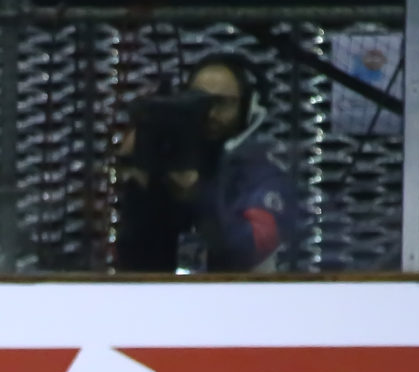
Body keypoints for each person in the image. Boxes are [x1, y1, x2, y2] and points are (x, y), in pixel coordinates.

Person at [115, 53, 301, 273]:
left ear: (248, 109)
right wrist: (140, 190)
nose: (210, 113)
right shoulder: (166, 164)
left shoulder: (264, 179)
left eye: (222, 103)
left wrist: (197, 194)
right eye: (198, 101)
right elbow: (132, 263)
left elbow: (245, 250)